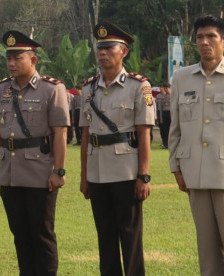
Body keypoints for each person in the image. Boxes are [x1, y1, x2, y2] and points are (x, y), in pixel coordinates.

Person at [168, 15, 224, 276]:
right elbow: (175, 128)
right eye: (199, 37)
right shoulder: (182, 77)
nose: (205, 42)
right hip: (194, 173)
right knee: (207, 252)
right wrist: (176, 166)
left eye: (211, 36)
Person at [0, 31, 69, 276]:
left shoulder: (51, 89)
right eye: (8, 58)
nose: (11, 63)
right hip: (10, 172)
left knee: (42, 234)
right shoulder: (1, 90)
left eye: (18, 58)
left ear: (33, 60)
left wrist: (59, 170)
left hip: (39, 172)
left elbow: (60, 134)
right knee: (20, 234)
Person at [80, 22, 154, 276]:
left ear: (123, 52)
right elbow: (85, 135)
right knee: (105, 237)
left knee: (130, 236)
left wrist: (143, 176)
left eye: (109, 48)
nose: (102, 53)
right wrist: (84, 176)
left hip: (126, 171)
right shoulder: (88, 89)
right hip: (97, 171)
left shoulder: (138, 86)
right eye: (99, 48)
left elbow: (144, 133)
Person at [156, 82, 172, 149]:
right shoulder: (163, 96)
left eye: (166, 88)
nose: (165, 90)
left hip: (171, 113)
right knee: (164, 130)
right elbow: (160, 108)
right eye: (164, 88)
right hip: (165, 114)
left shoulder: (174, 96)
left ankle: (171, 144)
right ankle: (165, 144)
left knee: (171, 130)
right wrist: (161, 117)